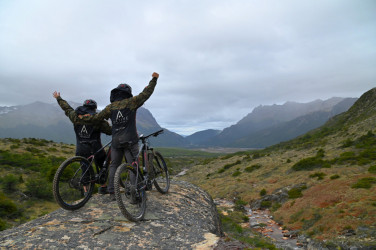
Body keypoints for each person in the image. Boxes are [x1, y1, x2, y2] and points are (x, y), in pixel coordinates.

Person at [75, 72, 159, 201]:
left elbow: (97, 118)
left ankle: (112, 192)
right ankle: (135, 193)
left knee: (114, 165)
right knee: (132, 164)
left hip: (116, 141)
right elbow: (146, 93)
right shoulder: (132, 102)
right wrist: (154, 79)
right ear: (128, 93)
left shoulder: (110, 107)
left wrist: (84, 118)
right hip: (130, 139)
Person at [52, 92, 112, 195]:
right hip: (95, 148)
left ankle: (86, 192)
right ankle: (103, 187)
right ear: (94, 109)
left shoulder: (75, 117)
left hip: (81, 148)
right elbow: (109, 131)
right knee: (103, 164)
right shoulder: (96, 119)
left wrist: (58, 98)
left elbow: (67, 109)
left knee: (85, 168)